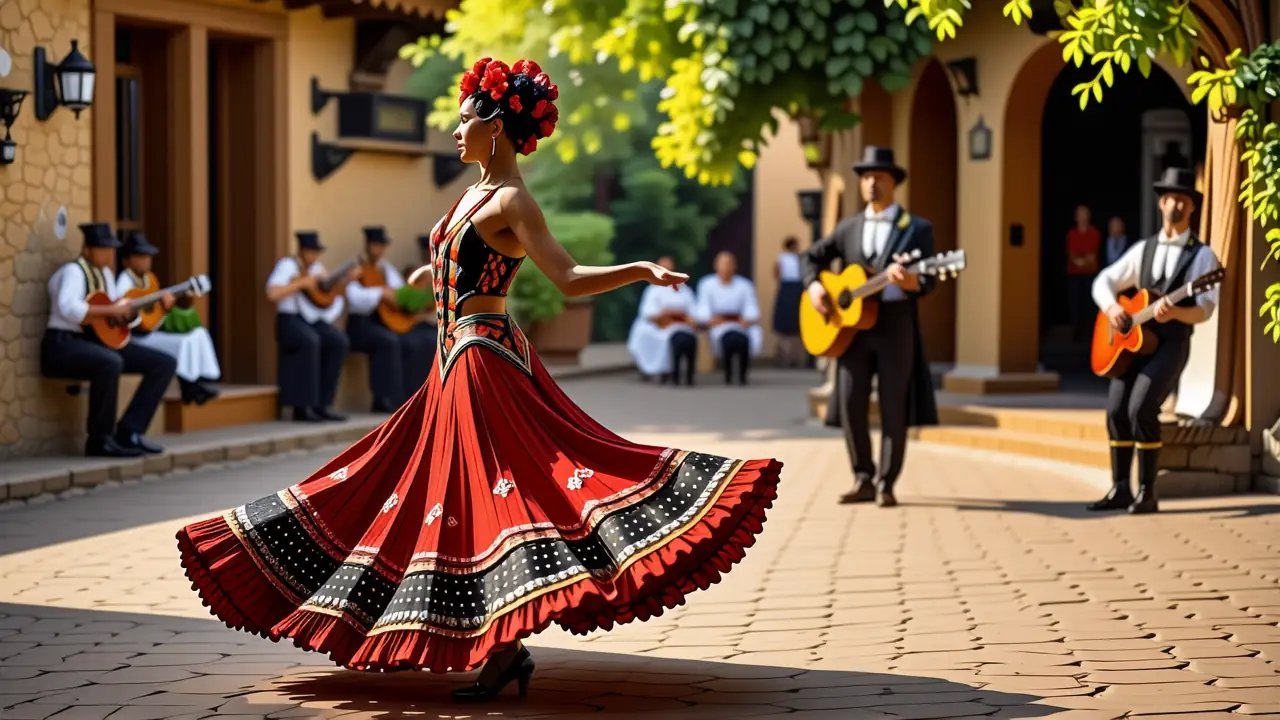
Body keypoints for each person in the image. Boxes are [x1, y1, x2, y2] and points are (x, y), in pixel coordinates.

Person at [176, 57, 782, 702]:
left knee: (481, 496)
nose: (457, 132)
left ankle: (500, 649)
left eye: (466, 121)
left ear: (497, 127)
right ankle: (501, 649)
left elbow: (568, 279)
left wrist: (637, 269)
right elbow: (457, 260)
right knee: (417, 485)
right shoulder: (472, 195)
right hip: (452, 360)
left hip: (482, 359)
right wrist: (426, 276)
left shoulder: (515, 201)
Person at [802, 146, 940, 508]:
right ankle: (863, 476)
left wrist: (908, 281)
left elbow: (928, 281)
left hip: (896, 326)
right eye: (865, 177)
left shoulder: (917, 229)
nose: (871, 184)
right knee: (850, 403)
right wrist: (816, 286)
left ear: (893, 182)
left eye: (878, 177)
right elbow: (811, 258)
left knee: (894, 405)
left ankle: (887, 482)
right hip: (851, 330)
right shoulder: (848, 227)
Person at [1088, 167, 1221, 515]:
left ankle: (1147, 491)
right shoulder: (1142, 249)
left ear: (1192, 207)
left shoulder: (1202, 257)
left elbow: (1205, 309)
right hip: (1131, 346)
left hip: (1170, 345)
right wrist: (1114, 307)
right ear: (1160, 204)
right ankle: (1119, 488)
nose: (1174, 205)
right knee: (1116, 410)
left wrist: (1176, 313)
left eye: (1182, 199)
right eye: (1168, 199)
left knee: (1141, 408)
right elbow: (1103, 280)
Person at [40, 222, 178, 457]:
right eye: (103, 249)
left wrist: (129, 314)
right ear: (87, 250)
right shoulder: (73, 271)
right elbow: (68, 308)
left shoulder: (105, 275)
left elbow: (117, 312)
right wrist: (111, 311)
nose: (109, 254)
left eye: (111, 249)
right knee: (110, 362)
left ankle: (130, 431)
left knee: (163, 363)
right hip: (63, 343)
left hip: (97, 342)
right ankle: (100, 439)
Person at [114, 232, 221, 406]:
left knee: (198, 334)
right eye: (140, 256)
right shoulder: (124, 281)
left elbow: (154, 312)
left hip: (152, 329)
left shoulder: (150, 279)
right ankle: (189, 386)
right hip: (135, 336)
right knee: (181, 344)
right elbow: (125, 310)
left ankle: (200, 381)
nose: (146, 260)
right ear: (127, 260)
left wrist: (164, 307)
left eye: (148, 256)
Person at [266, 231, 358, 423]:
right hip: (289, 319)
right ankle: (302, 406)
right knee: (310, 342)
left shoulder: (317, 269)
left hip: (312, 319)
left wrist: (340, 283)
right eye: (310, 251)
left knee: (338, 341)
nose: (314, 256)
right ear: (301, 251)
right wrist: (300, 284)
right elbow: (272, 294)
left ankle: (323, 404)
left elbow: (325, 294)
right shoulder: (287, 266)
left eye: (316, 252)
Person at [345, 226, 438, 412]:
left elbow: (399, 293)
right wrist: (380, 293)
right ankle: (386, 399)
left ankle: (423, 394)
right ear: (367, 246)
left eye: (382, 246)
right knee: (389, 342)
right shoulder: (355, 268)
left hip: (385, 321)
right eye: (375, 246)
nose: (379, 250)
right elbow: (353, 297)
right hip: (362, 322)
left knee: (426, 338)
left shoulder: (385, 269)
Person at [626, 256, 698, 385]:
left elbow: (694, 311)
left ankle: (686, 375)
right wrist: (664, 314)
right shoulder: (652, 290)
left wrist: (684, 316)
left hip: (681, 325)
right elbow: (647, 312)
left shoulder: (684, 289)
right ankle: (657, 370)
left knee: (685, 339)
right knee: (646, 334)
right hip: (660, 327)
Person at [695, 252, 763, 386]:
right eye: (723, 264)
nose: (726, 268)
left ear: (734, 267)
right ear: (716, 266)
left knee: (742, 341)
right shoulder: (707, 284)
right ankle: (728, 375)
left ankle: (743, 375)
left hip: (739, 324)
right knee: (728, 341)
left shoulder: (744, 285)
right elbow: (703, 307)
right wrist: (710, 319)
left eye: (729, 264)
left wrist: (747, 318)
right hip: (719, 326)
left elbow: (751, 306)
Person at [1067, 204, 1102, 342]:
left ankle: (1093, 336)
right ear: (1076, 217)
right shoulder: (1071, 234)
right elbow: (1071, 254)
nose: (1082, 217)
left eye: (1084, 214)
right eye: (1079, 214)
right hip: (1074, 275)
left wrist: (1082, 261)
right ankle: (1075, 335)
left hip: (1090, 274)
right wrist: (1080, 261)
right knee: (1075, 304)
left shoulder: (1095, 233)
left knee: (1091, 305)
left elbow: (1092, 255)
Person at [772, 237, 805, 368]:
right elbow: (776, 274)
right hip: (786, 289)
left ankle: (798, 357)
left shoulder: (800, 258)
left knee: (798, 323)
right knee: (785, 324)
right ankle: (784, 356)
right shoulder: (782, 259)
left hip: (798, 289)